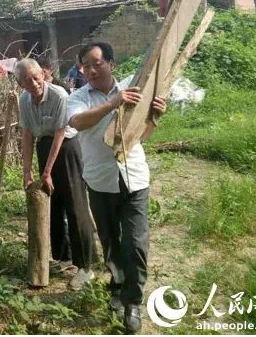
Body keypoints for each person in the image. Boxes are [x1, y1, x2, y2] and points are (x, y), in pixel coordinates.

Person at [67, 42, 167, 333]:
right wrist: (113, 103)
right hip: (100, 182)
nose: (91, 70)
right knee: (110, 242)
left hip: (134, 178)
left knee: (135, 244)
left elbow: (142, 134)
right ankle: (117, 286)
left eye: (97, 63)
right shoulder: (78, 97)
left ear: (111, 63)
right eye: (85, 65)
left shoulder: (132, 88)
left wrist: (155, 116)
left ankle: (132, 303)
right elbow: (77, 122)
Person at [15, 58, 96, 290]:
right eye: (27, 80)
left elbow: (61, 133)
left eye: (36, 77)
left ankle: (86, 266)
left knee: (75, 205)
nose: (33, 83)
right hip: (44, 146)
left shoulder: (59, 95)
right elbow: (28, 134)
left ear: (43, 74)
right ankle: (64, 257)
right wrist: (27, 171)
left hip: (67, 148)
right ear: (20, 84)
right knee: (53, 204)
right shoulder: (24, 100)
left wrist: (47, 171)